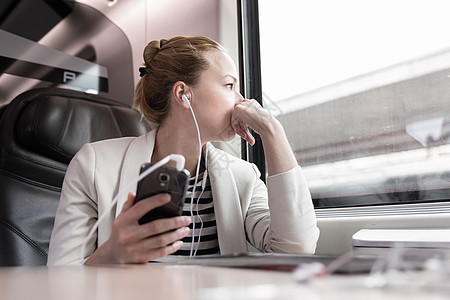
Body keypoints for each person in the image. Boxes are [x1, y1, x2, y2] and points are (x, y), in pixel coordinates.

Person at [47, 36, 319, 265]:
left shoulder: (242, 176)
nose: (243, 101)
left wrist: (273, 132)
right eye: (229, 86)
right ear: (183, 94)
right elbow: (57, 283)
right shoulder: (93, 165)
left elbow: (295, 250)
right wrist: (111, 255)